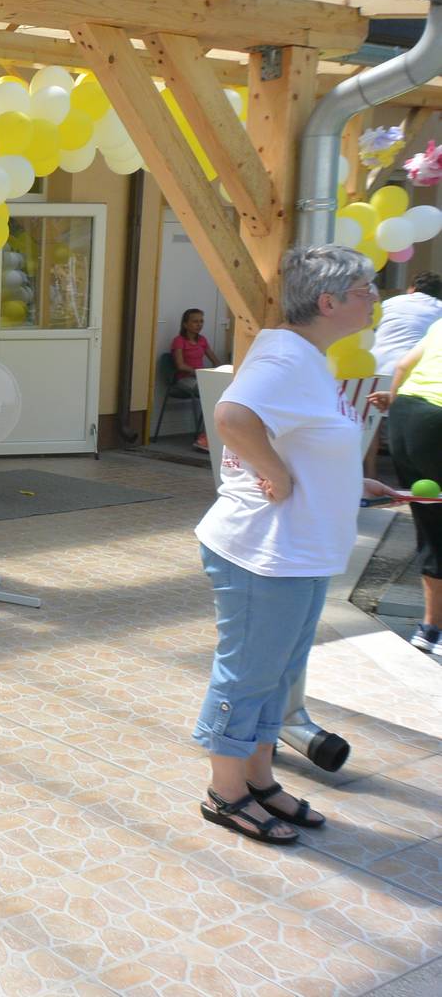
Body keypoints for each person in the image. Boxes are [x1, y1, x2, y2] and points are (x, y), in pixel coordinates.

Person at [193, 245, 396, 845]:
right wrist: (275, 474)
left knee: (278, 674)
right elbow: (232, 417)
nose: (375, 299)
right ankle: (225, 792)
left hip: (298, 552)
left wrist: (350, 481)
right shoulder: (284, 355)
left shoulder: (307, 358)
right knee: (248, 674)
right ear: (328, 302)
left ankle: (258, 780)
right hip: (264, 552)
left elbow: (304, 438)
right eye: (364, 290)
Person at [370, 311, 442, 655]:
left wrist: (394, 400)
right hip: (437, 418)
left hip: (408, 417)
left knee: (432, 524)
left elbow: (402, 365)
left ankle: (430, 629)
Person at [364, 273, 442, 476]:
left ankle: (371, 472)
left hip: (376, 363)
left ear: (412, 288)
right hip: (414, 373)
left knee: (370, 420)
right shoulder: (439, 310)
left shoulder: (392, 302)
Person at [172, 308, 219, 451]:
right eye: (195, 321)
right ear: (185, 324)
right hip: (184, 380)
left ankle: (214, 435)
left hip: (201, 379)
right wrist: (198, 373)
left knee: (220, 394)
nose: (199, 325)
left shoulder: (202, 340)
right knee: (210, 395)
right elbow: (180, 365)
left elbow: (215, 361)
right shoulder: (179, 341)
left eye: (201, 321)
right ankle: (204, 438)